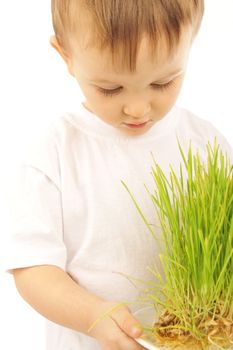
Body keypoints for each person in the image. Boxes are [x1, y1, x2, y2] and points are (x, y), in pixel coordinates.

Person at [6, 1, 233, 350]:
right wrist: (93, 316)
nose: (138, 108)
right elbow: (32, 270)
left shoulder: (206, 144)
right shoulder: (53, 154)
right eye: (110, 89)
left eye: (163, 82)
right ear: (65, 55)